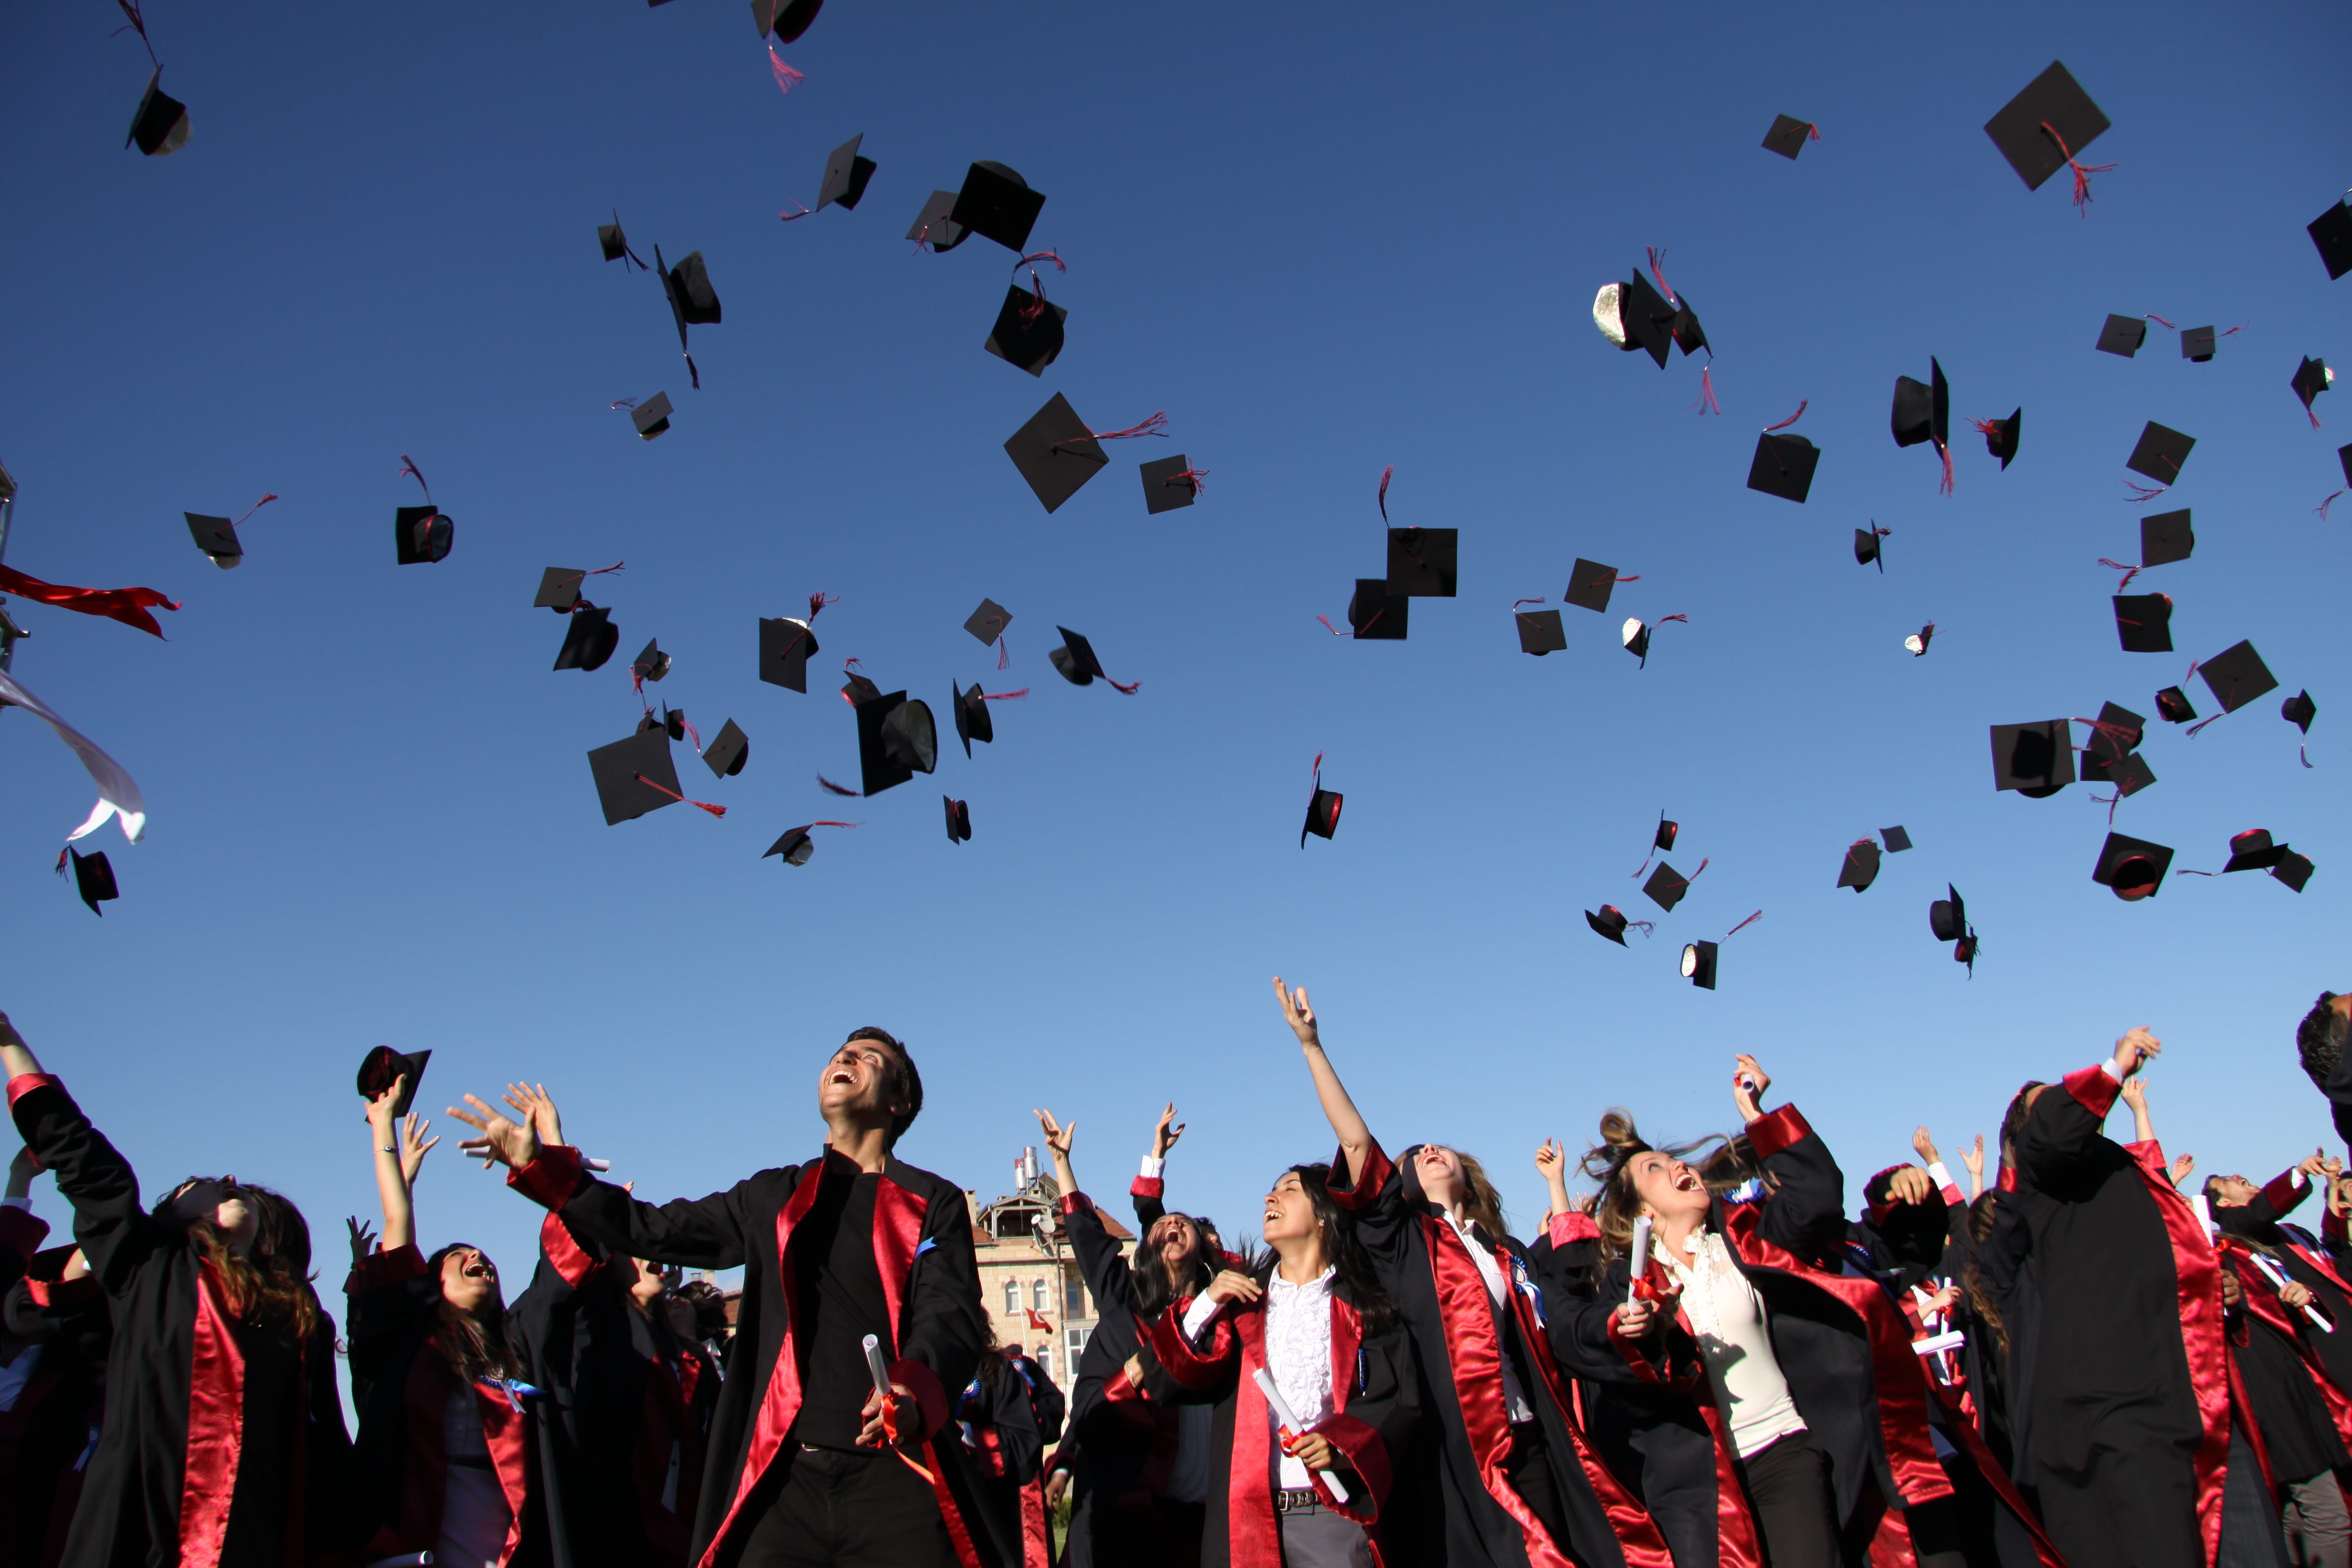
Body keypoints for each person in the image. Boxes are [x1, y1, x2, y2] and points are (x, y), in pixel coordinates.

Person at [450, 1027, 987, 1568]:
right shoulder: (772, 1196)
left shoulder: (931, 1201)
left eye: (870, 1057)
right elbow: (653, 1228)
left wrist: (912, 1391)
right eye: (840, 1054)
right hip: (783, 1486)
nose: (846, 1058)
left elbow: (950, 1314)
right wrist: (545, 1168)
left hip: (893, 1476)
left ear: (899, 1101)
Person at [1274, 977, 1671, 1568]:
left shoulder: (1506, 1253)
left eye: (1441, 1146)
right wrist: (1312, 1047)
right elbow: (1356, 1145)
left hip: (1529, 1439)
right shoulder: (1406, 1242)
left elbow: (1560, 1323)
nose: (1430, 1149)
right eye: (1415, 1154)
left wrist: (1615, 1325)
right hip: (1457, 1459)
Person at [1546, 1059, 1967, 1568]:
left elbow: (1816, 1201)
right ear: (1643, 1214)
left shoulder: (1747, 1241)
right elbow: (1575, 1332)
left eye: (1676, 1161)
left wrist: (1757, 1113)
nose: (1682, 1167)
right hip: (1699, 1486)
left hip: (1785, 1451)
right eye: (1654, 1168)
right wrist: (1627, 1331)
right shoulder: (1627, 1284)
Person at [0, 1006, 363, 1568]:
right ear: (174, 1216)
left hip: (251, 1539)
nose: (227, 1182)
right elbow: (80, 1154)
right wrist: (10, 1043)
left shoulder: (296, 1314)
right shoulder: (151, 1268)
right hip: (140, 1531)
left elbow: (322, 1445)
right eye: (204, 1184)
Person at [2003, 1027, 2268, 1568]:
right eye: (2051, 1099)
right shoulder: (2043, 1172)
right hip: (2119, 1410)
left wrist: (2211, 1285)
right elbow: (2052, 1132)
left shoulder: (2122, 1173)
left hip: (2191, 1394)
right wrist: (2112, 1066)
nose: (2067, 1097)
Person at [1148, 1152, 1421, 1568]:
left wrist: (1342, 1445)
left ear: (1325, 1214)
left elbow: (1397, 1398)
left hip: (1331, 1517)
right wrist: (1207, 1301)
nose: (1269, 1199)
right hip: (1246, 1521)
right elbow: (1167, 1379)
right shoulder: (1241, 1307)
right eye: (1272, 1191)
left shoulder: (1362, 1306)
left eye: (1289, 1190)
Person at [489, 1085, 719, 1568]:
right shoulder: (601, 1335)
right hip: (616, 1533)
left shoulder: (689, 1358)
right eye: (634, 1249)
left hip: (688, 1535)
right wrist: (557, 1157)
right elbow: (562, 1285)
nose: (651, 1259)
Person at [345, 1071, 557, 1568]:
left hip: (511, 1531)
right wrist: (383, 1129)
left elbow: (558, 1270)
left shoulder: (514, 1354)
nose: (477, 1257)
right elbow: (398, 1229)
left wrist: (550, 1152)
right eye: (459, 1254)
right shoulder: (413, 1344)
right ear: (431, 1281)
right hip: (426, 1531)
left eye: (483, 1255)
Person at [1030, 1107, 1213, 1568]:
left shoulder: (1225, 1312)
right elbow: (1089, 1238)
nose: (1173, 1228)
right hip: (1128, 1505)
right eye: (1164, 1229)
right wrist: (1062, 1164)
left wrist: (1156, 1161)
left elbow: (1159, 1218)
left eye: (1184, 1226)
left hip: (1208, 1509)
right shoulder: (1125, 1306)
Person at [2205, 1147, 2351, 1568]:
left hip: (2320, 1363)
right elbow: (2257, 1212)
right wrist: (2299, 1174)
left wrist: (2333, 1195)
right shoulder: (2234, 1237)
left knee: (2299, 1514)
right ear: (2225, 1205)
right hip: (2307, 1374)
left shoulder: (2285, 1235)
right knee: (2320, 1510)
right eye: (2228, 1181)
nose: (2240, 1174)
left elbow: (2333, 1256)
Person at [0, 1147, 101, 1568]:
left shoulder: (78, 1391)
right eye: (25, 1281)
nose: (31, 1291)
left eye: (49, 1290)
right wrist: (20, 1176)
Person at [955, 1340, 1048, 1568]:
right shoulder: (934, 1372)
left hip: (1006, 1499)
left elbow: (1035, 1430)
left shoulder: (1007, 1370)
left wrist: (977, 1437)